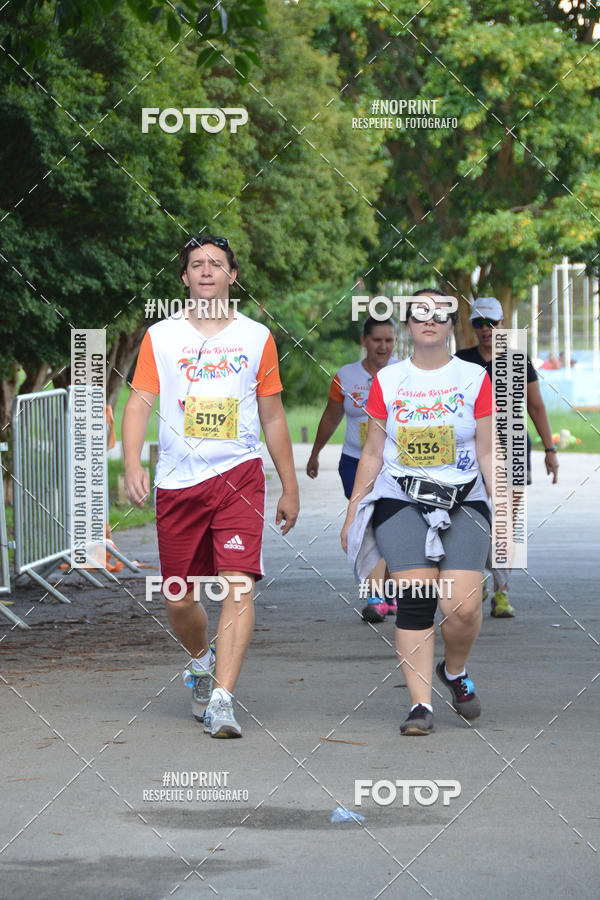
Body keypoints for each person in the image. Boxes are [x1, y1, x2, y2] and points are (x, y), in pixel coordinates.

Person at [123, 234, 299, 738]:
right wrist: (132, 462)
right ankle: (202, 660)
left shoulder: (255, 337)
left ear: (231, 276)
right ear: (184, 277)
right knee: (179, 597)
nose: (205, 271)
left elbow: (273, 413)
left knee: (237, 584)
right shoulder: (161, 337)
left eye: (216, 264)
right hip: (179, 482)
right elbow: (138, 403)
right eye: (196, 264)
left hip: (239, 474)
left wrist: (289, 485)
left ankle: (223, 699)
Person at [341, 289, 494, 736]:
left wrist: (504, 510)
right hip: (400, 497)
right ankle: (420, 704)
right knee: (417, 598)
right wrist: (354, 512)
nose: (430, 319)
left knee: (461, 605)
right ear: (408, 324)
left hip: (464, 497)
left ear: (452, 325)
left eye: (440, 314)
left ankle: (454, 670)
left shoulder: (473, 379)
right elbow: (372, 452)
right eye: (420, 313)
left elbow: (488, 452)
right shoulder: (388, 381)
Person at [455, 296, 558, 617]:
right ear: (472, 327)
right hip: (472, 449)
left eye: (492, 323)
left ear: (503, 325)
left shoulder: (518, 360)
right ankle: (477, 578)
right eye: (478, 323)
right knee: (472, 520)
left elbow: (536, 407)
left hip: (513, 446)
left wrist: (550, 450)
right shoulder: (461, 361)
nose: (486, 330)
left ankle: (501, 592)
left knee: (504, 523)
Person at [306, 316, 398, 623]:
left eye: (389, 340)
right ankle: (378, 594)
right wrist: (315, 453)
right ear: (364, 341)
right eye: (377, 340)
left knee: (388, 522)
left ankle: (385, 591)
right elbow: (331, 417)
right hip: (355, 462)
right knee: (367, 521)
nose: (383, 347)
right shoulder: (345, 376)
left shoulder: (404, 372)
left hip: (395, 464)